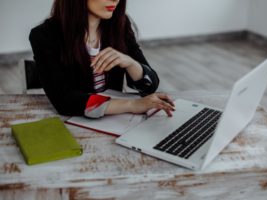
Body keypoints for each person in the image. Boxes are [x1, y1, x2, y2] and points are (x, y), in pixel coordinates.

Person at [29, 0, 175, 119]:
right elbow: (64, 101)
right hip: (74, 121)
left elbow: (150, 86)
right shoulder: (44, 36)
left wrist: (130, 63)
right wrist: (132, 105)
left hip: (114, 119)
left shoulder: (120, 24)